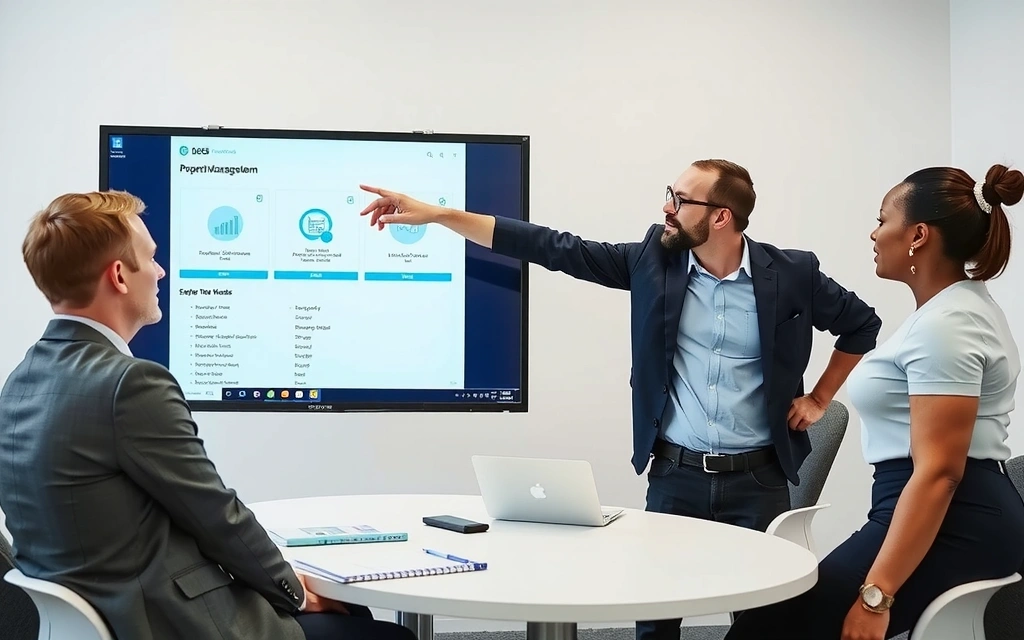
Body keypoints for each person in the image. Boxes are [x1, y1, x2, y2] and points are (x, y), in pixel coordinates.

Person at [358, 159, 883, 640]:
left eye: (680, 200)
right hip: (676, 476)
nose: (666, 208)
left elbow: (861, 325)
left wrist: (820, 398)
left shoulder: (790, 273)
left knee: (764, 625)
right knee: (655, 621)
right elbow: (552, 246)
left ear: (722, 217)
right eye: (669, 193)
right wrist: (440, 215)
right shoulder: (653, 260)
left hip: (759, 479)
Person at [0, 191, 415, 640]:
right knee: (376, 629)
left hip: (91, 623)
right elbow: (215, 516)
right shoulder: (130, 383)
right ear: (119, 276)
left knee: (348, 616)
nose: (160, 271)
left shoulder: (21, 381)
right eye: (151, 258)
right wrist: (294, 591)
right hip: (169, 624)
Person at [723, 164, 1024, 640]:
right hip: (930, 510)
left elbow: (940, 473)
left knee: (764, 632)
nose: (873, 232)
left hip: (955, 520)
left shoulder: (948, 325)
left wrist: (876, 596)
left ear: (918, 235)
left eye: (883, 220)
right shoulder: (951, 311)